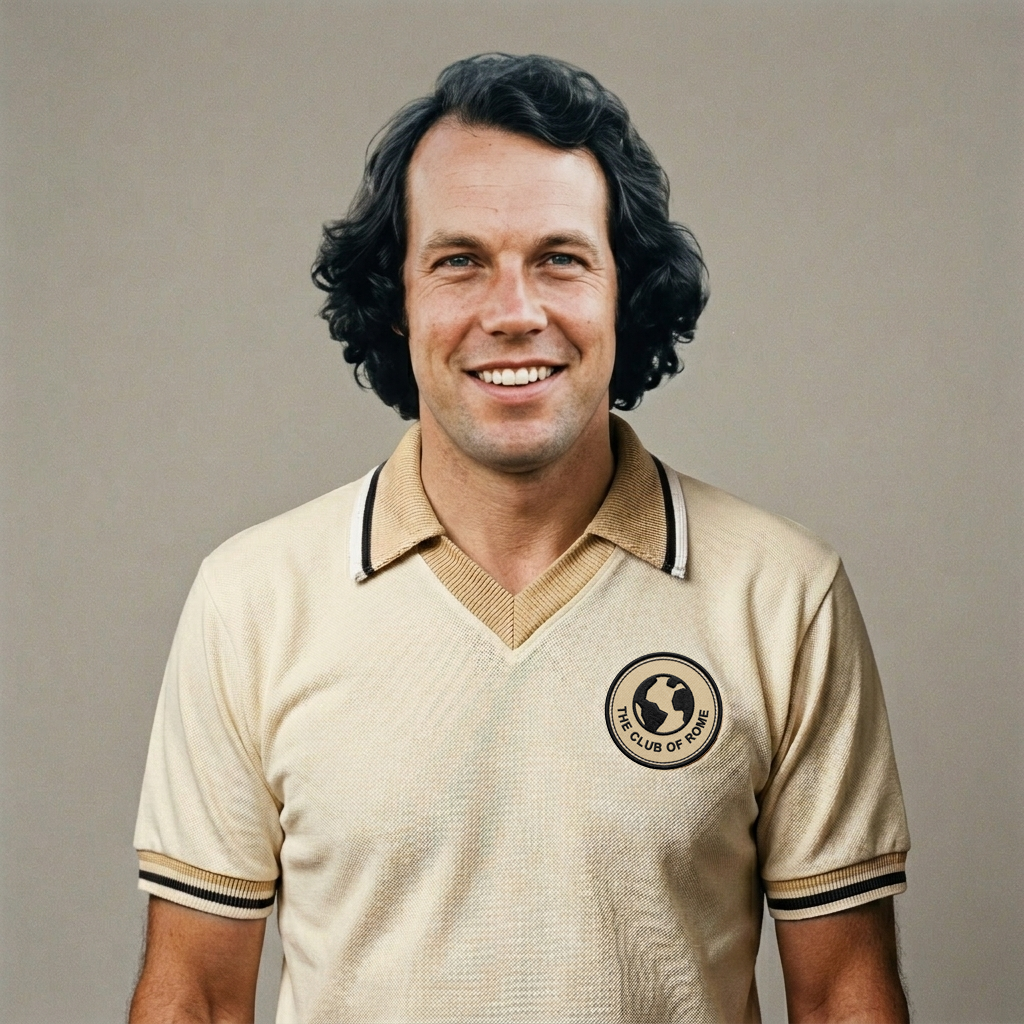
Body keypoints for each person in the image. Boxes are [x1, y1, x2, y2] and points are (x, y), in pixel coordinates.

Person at [129, 53, 910, 1023]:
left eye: (560, 258)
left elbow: (843, 993)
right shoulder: (249, 598)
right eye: (459, 261)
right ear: (397, 297)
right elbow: (194, 997)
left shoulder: (784, 594)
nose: (514, 312)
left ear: (625, 293)